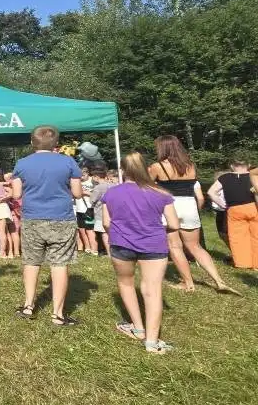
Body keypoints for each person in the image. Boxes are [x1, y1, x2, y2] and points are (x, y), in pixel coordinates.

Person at [102, 152, 180, 354]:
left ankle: (137, 328)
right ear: (146, 168)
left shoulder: (111, 193)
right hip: (153, 245)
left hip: (121, 244)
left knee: (126, 283)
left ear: (122, 170)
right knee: (152, 289)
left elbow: (106, 223)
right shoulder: (161, 194)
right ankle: (152, 342)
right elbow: (173, 224)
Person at [11, 125, 84, 326]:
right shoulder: (68, 161)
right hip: (61, 217)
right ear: (56, 144)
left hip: (32, 217)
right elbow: (77, 193)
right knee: (59, 264)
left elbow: (16, 194)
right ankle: (58, 314)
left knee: (31, 262)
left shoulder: (22, 163)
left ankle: (28, 306)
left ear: (33, 142)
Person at [148, 135, 233, 292]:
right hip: (189, 205)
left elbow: (147, 186)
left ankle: (188, 283)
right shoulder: (190, 165)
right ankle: (219, 281)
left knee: (175, 247)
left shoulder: (157, 166)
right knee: (196, 246)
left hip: (169, 206)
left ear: (162, 148)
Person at [209, 158, 258, 269]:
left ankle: (242, 263)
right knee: (256, 236)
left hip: (234, 210)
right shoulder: (254, 176)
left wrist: (223, 205)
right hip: (253, 207)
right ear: (249, 164)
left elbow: (211, 192)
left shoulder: (224, 177)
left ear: (231, 165)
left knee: (237, 237)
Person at [88, 165, 116, 257]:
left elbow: (92, 200)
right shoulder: (113, 185)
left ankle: (109, 253)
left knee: (104, 233)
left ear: (97, 177)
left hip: (101, 213)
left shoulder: (98, 187)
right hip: (113, 212)